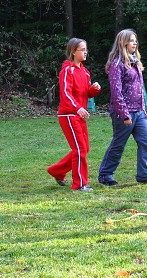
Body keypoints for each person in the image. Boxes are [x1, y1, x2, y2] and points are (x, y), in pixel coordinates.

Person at [98, 29, 147, 186]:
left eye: (135, 40)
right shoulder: (116, 64)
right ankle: (105, 174)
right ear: (123, 43)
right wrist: (125, 115)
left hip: (139, 112)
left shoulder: (135, 62)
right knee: (119, 144)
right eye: (132, 40)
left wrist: (143, 109)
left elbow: (139, 89)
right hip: (124, 114)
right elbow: (116, 92)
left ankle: (145, 174)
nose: (135, 43)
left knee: (146, 141)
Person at [47, 38, 101, 191]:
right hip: (68, 115)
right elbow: (65, 93)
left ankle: (57, 171)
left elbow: (86, 94)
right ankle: (80, 184)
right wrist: (77, 108)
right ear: (73, 52)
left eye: (86, 49)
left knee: (84, 148)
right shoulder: (67, 70)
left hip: (79, 114)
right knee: (80, 149)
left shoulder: (84, 71)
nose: (85, 52)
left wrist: (94, 89)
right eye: (82, 50)